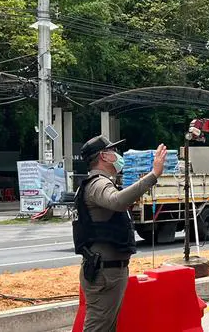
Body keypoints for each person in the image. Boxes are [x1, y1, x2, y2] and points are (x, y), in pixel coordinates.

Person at [73, 136, 166, 332]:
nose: (117, 155)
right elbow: (117, 201)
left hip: (108, 270)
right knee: (98, 327)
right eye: (112, 151)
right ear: (103, 156)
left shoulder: (101, 182)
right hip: (105, 272)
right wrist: (153, 175)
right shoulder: (98, 184)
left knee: (106, 327)